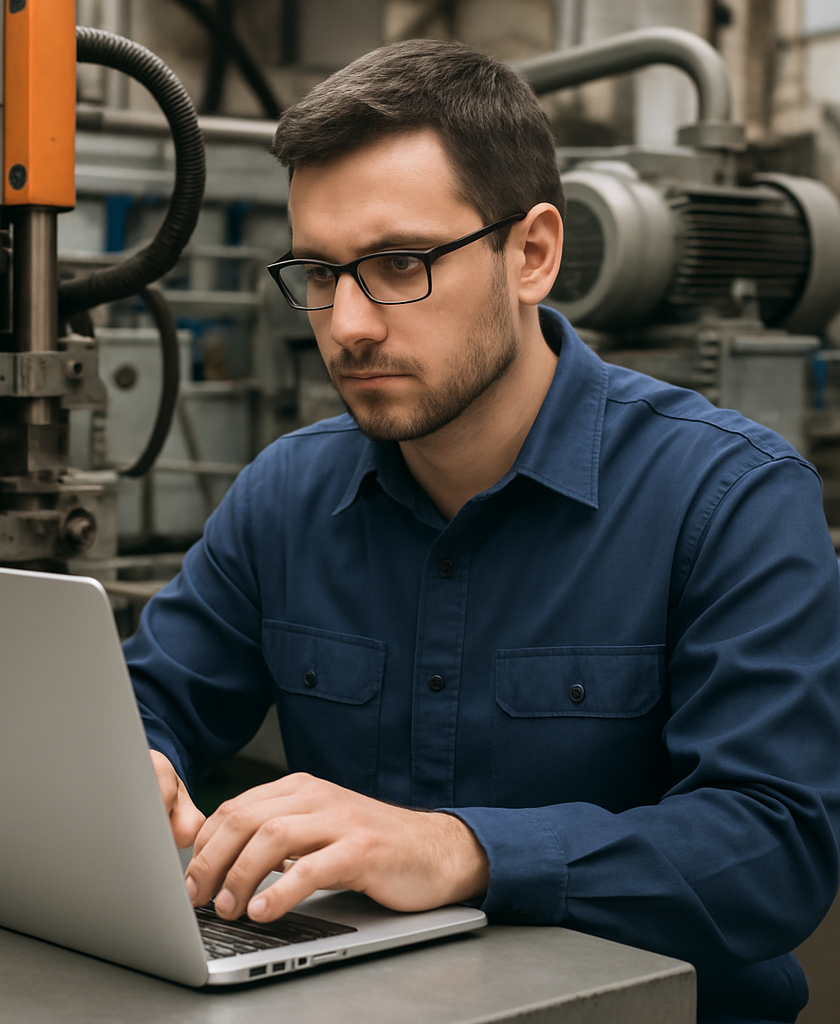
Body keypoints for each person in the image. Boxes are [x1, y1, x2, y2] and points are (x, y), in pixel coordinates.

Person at [124, 38, 840, 1024]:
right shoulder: (284, 495)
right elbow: (146, 699)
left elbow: (773, 846)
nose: (348, 324)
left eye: (399, 263)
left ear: (532, 254)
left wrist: (463, 850)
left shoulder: (729, 500)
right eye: (321, 272)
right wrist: (136, 764)